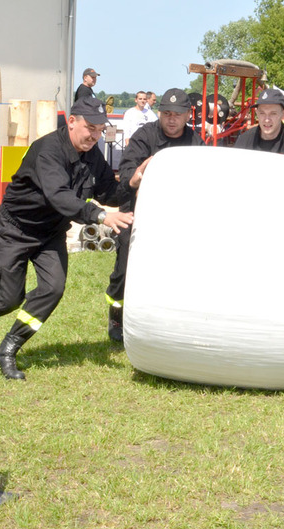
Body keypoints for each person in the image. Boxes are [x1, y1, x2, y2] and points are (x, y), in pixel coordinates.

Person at [0, 97, 133, 380]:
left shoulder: (92, 154)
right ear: (71, 121)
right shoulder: (47, 151)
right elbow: (59, 197)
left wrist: (135, 183)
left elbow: (109, 191)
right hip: (17, 229)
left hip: (51, 233)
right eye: (89, 127)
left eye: (99, 129)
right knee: (8, 300)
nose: (94, 135)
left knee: (53, 289)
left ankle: (8, 349)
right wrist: (102, 216)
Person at [104, 88, 203, 341]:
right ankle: (116, 314)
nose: (171, 119)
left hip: (176, 214)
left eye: (177, 114)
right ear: (159, 113)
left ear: (187, 115)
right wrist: (138, 174)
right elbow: (125, 177)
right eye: (166, 113)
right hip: (137, 211)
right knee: (125, 265)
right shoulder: (143, 136)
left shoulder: (195, 142)